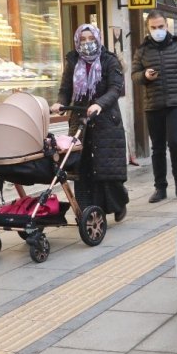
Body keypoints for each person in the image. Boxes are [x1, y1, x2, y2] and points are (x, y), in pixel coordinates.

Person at [51, 23, 129, 223]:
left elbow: (115, 88)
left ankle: (118, 203)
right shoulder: (73, 61)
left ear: (98, 39)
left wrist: (99, 104)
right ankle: (85, 211)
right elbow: (65, 88)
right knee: (81, 167)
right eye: (83, 39)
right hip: (79, 120)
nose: (87, 43)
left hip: (105, 120)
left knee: (106, 168)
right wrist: (60, 103)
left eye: (91, 39)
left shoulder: (109, 60)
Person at [131, 10, 177, 203]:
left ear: (166, 26)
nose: (158, 31)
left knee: (176, 143)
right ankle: (160, 187)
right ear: (148, 28)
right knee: (158, 148)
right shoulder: (142, 50)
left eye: (160, 27)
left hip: (176, 102)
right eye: (153, 28)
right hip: (153, 104)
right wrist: (145, 76)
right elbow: (134, 75)